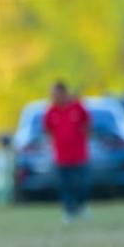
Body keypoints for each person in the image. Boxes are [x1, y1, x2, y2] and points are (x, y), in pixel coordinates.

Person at [43, 81, 91, 224]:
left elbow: (87, 123)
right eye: (52, 95)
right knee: (65, 185)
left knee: (81, 183)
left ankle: (81, 206)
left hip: (79, 155)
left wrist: (82, 138)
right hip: (61, 156)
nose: (54, 97)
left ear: (63, 93)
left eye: (56, 94)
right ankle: (69, 211)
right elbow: (47, 129)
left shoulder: (77, 107)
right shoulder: (51, 111)